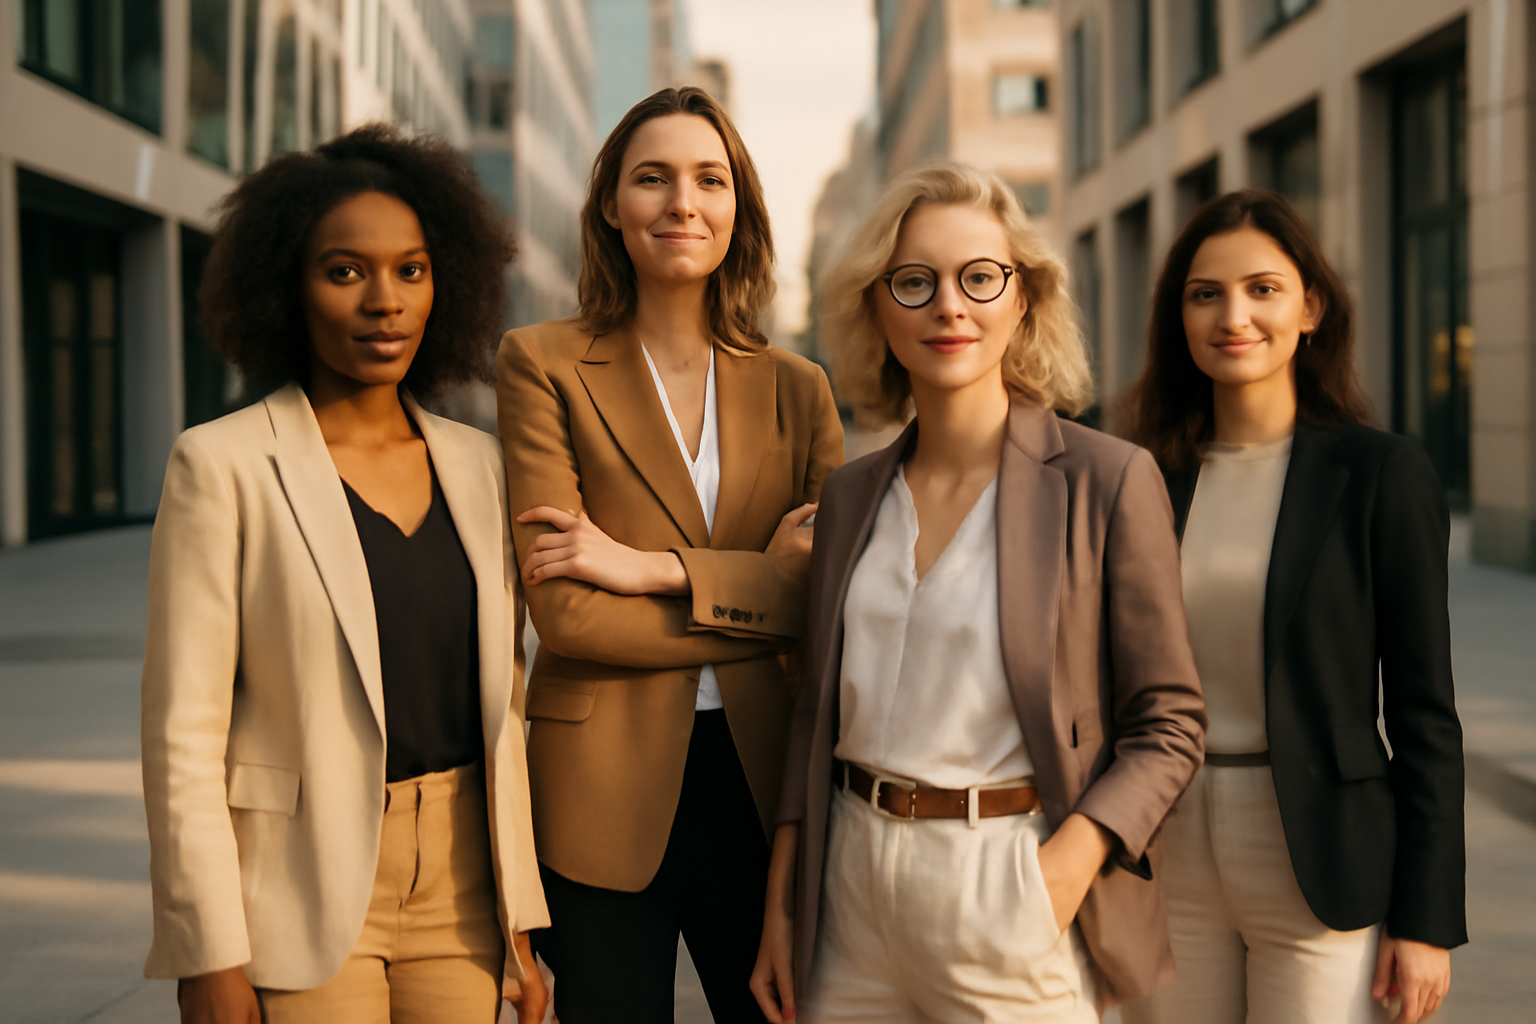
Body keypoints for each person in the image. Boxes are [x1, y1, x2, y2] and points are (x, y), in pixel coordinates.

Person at [751, 163, 1207, 1024]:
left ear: (1023, 299)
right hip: (851, 889)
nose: (948, 308)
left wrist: (1066, 868)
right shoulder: (850, 495)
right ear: (877, 309)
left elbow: (1171, 721)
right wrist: (782, 904)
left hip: (1006, 879)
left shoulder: (1106, 481)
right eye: (914, 282)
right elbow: (817, 710)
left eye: (980, 278)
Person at [140, 124, 548, 1024]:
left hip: (463, 891)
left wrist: (520, 920)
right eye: (345, 271)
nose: (385, 302)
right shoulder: (223, 466)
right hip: (298, 891)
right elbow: (183, 734)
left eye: (411, 269)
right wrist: (207, 948)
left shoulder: (481, 467)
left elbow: (503, 709)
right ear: (288, 286)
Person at [495, 87, 845, 1024]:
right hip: (596, 797)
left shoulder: (799, 389)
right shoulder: (542, 364)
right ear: (611, 203)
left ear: (738, 208)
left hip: (765, 789)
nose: (682, 202)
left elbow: (837, 595)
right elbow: (566, 611)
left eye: (709, 179)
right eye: (653, 178)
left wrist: (653, 568)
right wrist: (760, 588)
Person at [1117, 190, 1466, 1024]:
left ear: (1310, 307)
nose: (1233, 315)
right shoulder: (1140, 477)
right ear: (1179, 318)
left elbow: (1426, 715)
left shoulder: (1380, 474)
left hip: (1321, 849)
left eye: (1262, 289)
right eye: (1205, 294)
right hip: (1169, 844)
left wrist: (1425, 922)